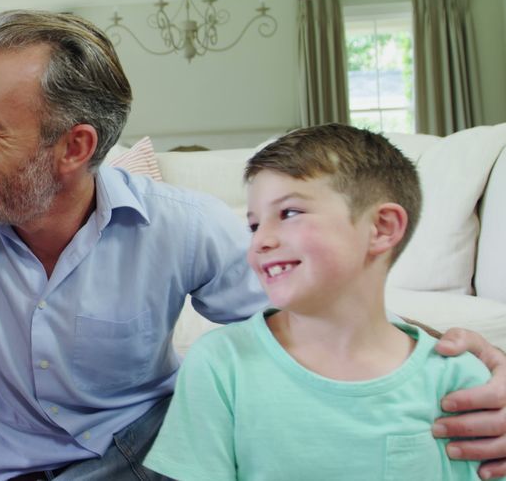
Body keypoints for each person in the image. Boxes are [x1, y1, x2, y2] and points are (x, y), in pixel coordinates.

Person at [0, 10, 506, 481]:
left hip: (157, 454)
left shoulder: (182, 225)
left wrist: (450, 354)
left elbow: (313, 312)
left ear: (75, 148)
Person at [144, 124, 486, 480]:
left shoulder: (457, 377)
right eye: (254, 225)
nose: (260, 241)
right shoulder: (219, 363)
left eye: (289, 213)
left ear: (382, 227)